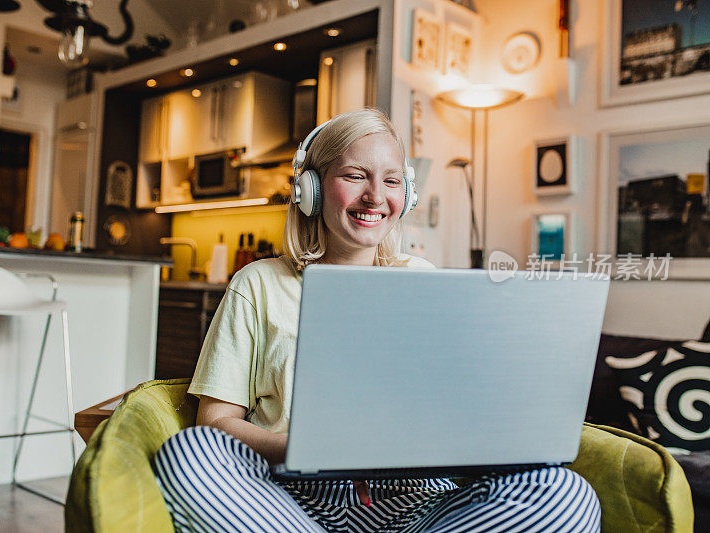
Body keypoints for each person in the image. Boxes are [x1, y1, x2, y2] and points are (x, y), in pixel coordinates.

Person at [153, 109, 601, 532]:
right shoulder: (258, 285)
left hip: (414, 499)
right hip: (291, 499)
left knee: (564, 494)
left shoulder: (424, 281)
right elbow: (215, 423)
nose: (375, 197)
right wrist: (307, 449)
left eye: (390, 181)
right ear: (310, 187)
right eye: (354, 176)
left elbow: (457, 409)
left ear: (405, 196)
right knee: (191, 456)